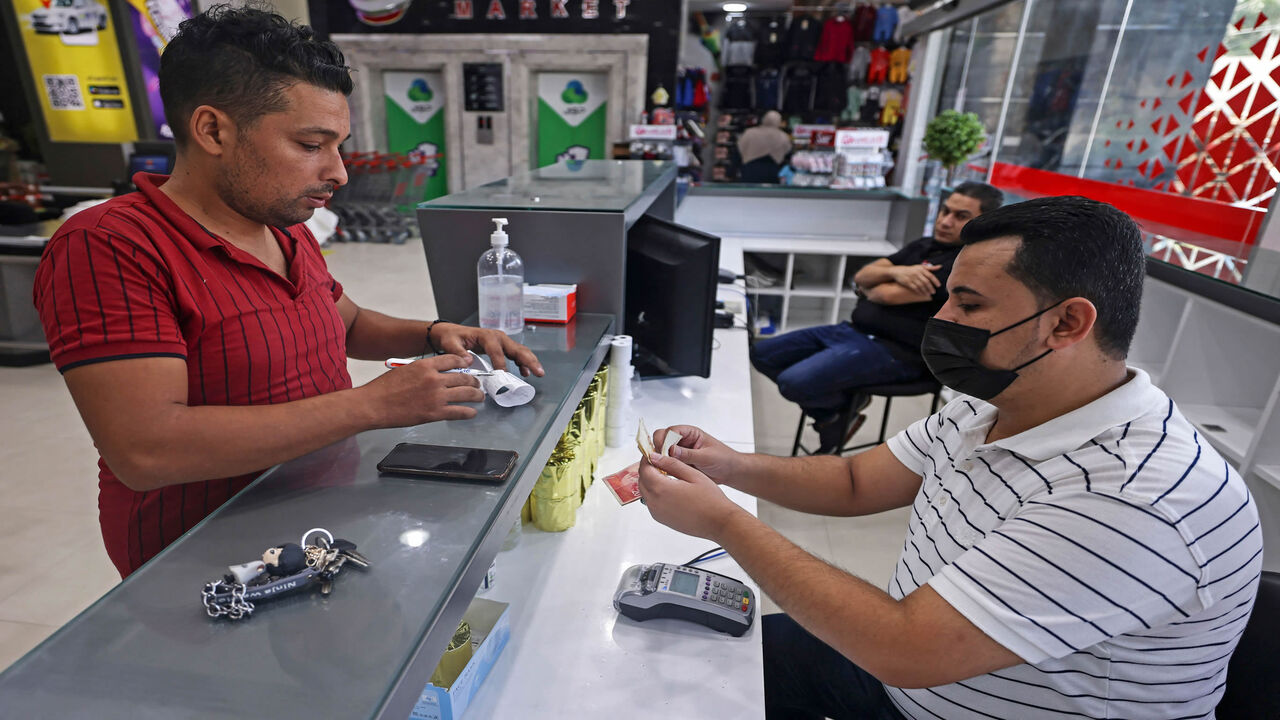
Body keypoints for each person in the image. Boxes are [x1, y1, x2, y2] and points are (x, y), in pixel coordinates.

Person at [638, 196, 1261, 719]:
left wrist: (723, 520)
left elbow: (905, 647)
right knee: (688, 668)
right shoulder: (996, 400)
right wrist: (730, 465)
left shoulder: (1134, 494)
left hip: (909, 668)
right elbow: (857, 481)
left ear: (1067, 323)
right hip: (908, 686)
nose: (941, 318)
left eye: (968, 304)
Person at [32, 6, 543, 578]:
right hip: (204, 555)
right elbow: (147, 448)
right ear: (213, 130)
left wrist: (430, 332)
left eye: (339, 145)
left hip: (317, 513)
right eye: (310, 145)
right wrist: (371, 405)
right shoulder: (111, 246)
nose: (339, 172)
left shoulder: (282, 227)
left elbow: (343, 323)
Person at [751, 182, 1003, 453]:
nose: (945, 221)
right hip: (854, 332)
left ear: (983, 222)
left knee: (795, 382)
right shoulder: (925, 246)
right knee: (763, 353)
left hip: (899, 352)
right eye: (945, 211)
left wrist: (880, 279)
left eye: (960, 216)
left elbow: (886, 296)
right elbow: (863, 275)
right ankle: (837, 413)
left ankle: (834, 414)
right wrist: (897, 273)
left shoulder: (967, 264)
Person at [737, 110, 792, 184]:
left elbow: (739, 149)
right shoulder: (783, 136)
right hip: (772, 171)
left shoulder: (750, 132)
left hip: (750, 169)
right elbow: (787, 151)